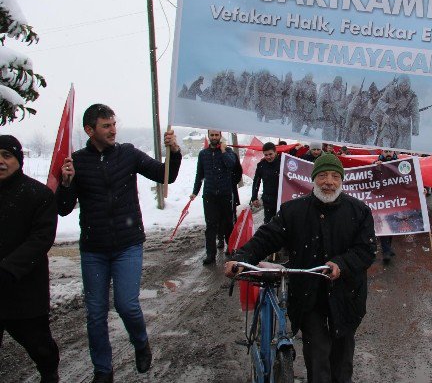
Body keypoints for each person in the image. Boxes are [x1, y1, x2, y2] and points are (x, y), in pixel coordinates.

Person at [56, 104, 182, 383]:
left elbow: (166, 175)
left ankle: (141, 343)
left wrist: (174, 152)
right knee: (96, 314)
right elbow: (63, 209)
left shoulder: (128, 154)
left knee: (126, 305)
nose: (113, 130)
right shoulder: (77, 161)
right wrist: (66, 184)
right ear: (90, 130)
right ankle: (103, 370)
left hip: (127, 244)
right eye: (106, 126)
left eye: (114, 124)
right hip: (94, 249)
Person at [225, 154, 376, 383]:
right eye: (323, 175)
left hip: (346, 296)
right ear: (314, 178)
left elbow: (366, 250)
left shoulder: (359, 211)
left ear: (341, 181)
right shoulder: (293, 211)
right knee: (317, 356)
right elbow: (266, 238)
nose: (329, 181)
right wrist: (241, 258)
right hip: (309, 296)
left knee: (342, 359)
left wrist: (341, 264)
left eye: (335, 176)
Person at [0, 135, 60, 383]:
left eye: (6, 156)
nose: (1, 162)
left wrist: (8, 269)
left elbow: (41, 238)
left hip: (24, 289)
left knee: (40, 346)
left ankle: (50, 375)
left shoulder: (38, 195)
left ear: (18, 160)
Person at [190, 130, 242, 265]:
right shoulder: (203, 154)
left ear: (220, 136)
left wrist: (224, 151)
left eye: (216, 135)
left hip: (225, 193)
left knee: (228, 224)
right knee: (211, 226)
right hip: (209, 195)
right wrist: (195, 192)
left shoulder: (228, 152)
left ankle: (231, 250)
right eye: (212, 135)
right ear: (208, 136)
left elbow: (231, 164)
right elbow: (199, 174)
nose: (214, 137)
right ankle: (210, 254)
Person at [374, 149, 399, 264]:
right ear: (382, 153)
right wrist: (375, 168)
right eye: (386, 151)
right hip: (381, 200)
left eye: (390, 151)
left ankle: (388, 246)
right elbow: (371, 179)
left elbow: (409, 179)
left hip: (394, 199)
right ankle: (386, 251)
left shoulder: (401, 164)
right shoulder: (376, 163)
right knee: (383, 224)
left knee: (392, 223)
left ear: (394, 153)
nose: (388, 153)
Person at [251, 142, 281, 224]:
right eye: (266, 155)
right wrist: (254, 197)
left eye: (270, 154)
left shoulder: (283, 162)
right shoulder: (261, 165)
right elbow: (256, 181)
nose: (268, 157)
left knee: (282, 224)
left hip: (281, 199)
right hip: (268, 199)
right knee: (269, 224)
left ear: (275, 152)